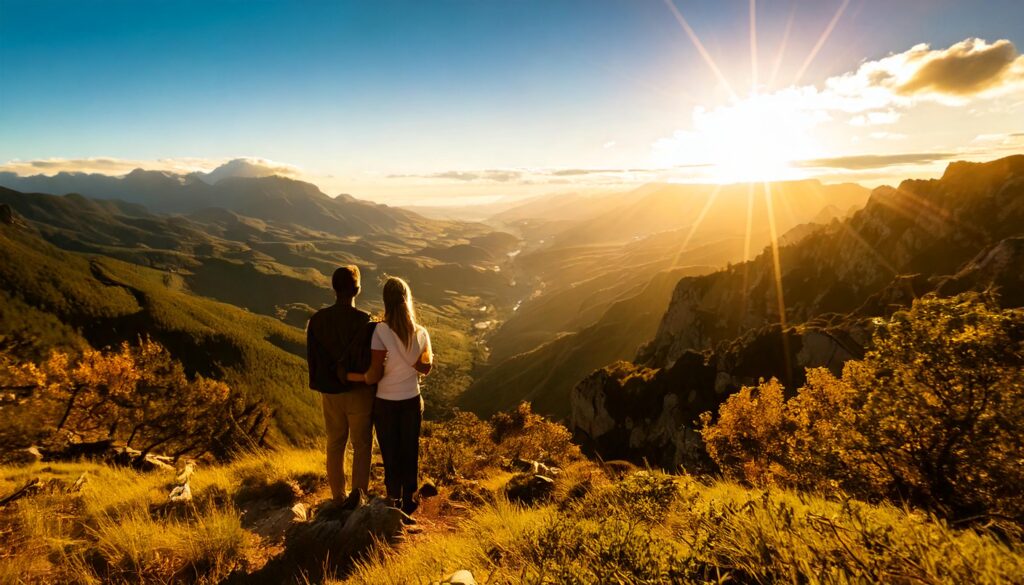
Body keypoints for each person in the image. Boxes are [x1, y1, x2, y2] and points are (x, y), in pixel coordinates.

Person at [306, 265, 376, 502]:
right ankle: (358, 496)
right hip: (359, 392)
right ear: (357, 289)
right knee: (362, 445)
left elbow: (314, 358)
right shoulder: (366, 322)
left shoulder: (317, 320)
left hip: (330, 392)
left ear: (334, 288)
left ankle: (338, 496)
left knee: (335, 443)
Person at [364, 276, 432, 515]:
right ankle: (410, 500)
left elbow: (374, 372)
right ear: (407, 299)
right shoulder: (421, 333)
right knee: (410, 450)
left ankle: (392, 500)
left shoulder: (380, 331)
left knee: (390, 452)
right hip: (411, 399)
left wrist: (356, 377)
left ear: (386, 301)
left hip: (385, 401)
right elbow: (426, 367)